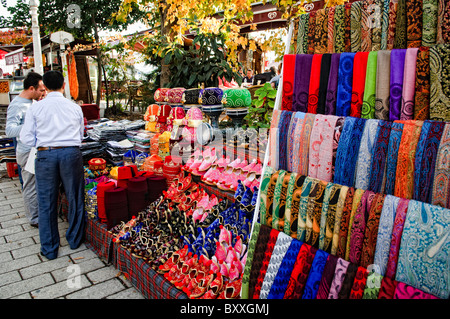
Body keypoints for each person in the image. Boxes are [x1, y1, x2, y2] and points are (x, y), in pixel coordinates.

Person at [20, 70, 85, 260]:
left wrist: (43, 143)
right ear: (64, 85)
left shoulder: (36, 108)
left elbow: (25, 137)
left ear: (45, 87)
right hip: (71, 153)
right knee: (74, 196)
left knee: (46, 201)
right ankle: (74, 239)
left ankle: (49, 249)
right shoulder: (74, 107)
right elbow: (80, 135)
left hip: (45, 154)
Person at [6, 71, 46, 228]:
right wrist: (32, 126)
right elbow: (10, 131)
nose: (43, 93)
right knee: (30, 185)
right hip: (27, 152)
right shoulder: (17, 105)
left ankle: (39, 213)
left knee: (37, 184)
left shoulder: (31, 102)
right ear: (31, 88)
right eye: (41, 90)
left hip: (35, 150)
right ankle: (34, 219)